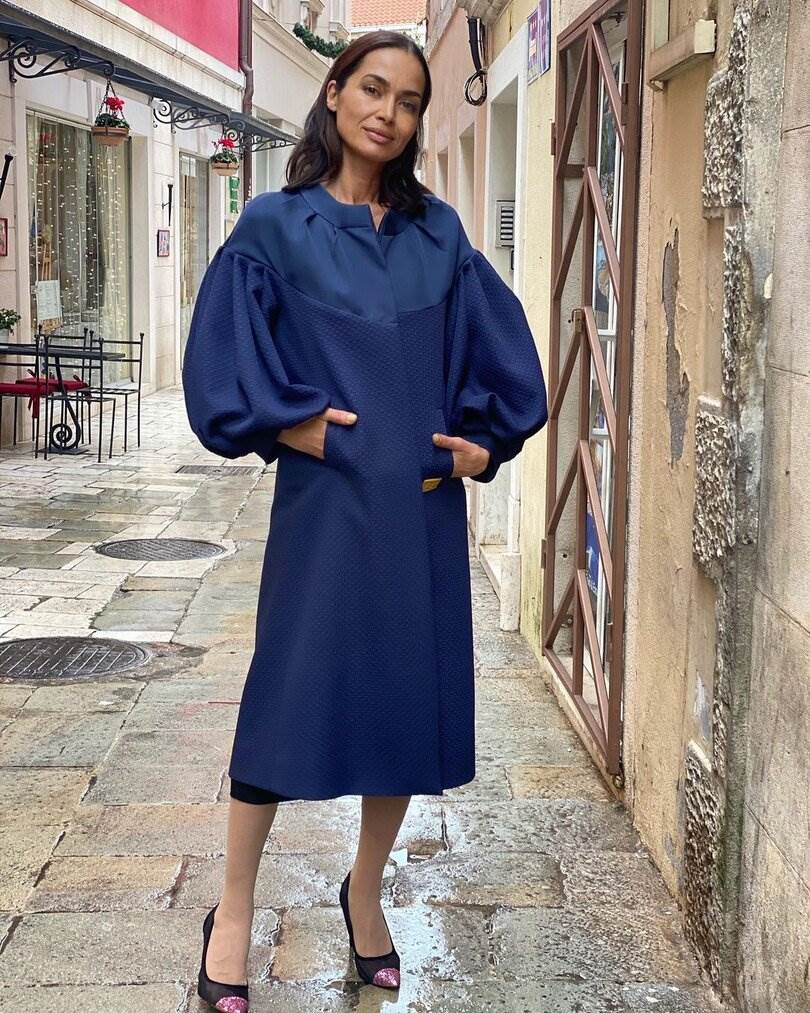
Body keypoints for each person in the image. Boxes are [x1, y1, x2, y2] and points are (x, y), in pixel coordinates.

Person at [182, 29, 548, 1011]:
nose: (390, 112)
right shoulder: (274, 227)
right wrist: (284, 425)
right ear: (336, 93)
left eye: (410, 100)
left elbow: (506, 358)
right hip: (324, 515)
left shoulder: (440, 236)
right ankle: (231, 909)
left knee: (402, 711)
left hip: (420, 521)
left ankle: (366, 892)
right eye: (374, 89)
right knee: (282, 705)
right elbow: (218, 362)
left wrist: (481, 448)